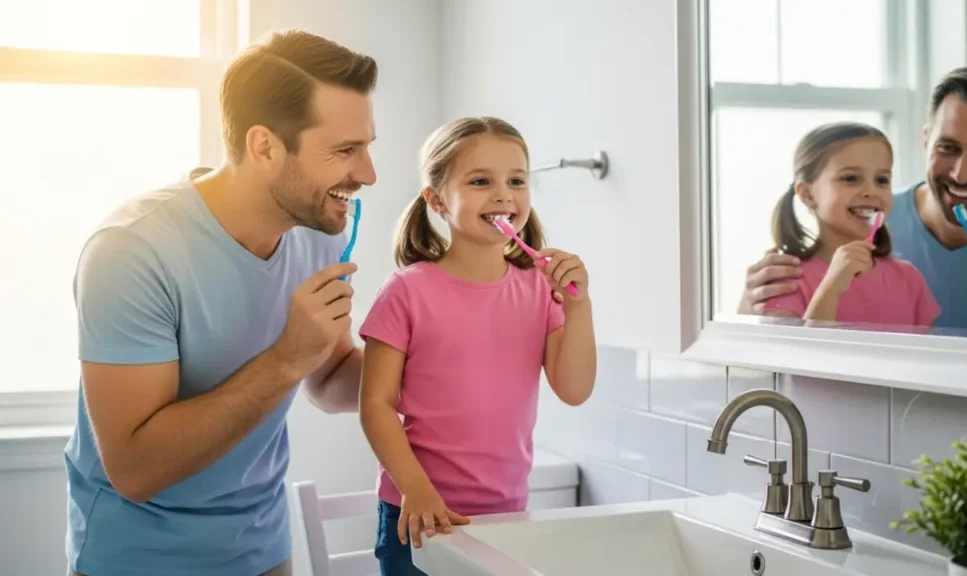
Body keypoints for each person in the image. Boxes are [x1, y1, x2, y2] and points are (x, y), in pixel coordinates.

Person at [65, 31, 378, 576]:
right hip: (136, 561)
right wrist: (286, 357)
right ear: (264, 147)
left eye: (367, 145)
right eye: (345, 151)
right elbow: (136, 469)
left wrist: (431, 362)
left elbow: (328, 381)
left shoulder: (321, 229)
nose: (368, 174)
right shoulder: (132, 252)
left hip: (263, 549)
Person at [358, 116, 598, 575]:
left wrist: (579, 305)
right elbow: (375, 405)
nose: (504, 194)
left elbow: (574, 388)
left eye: (516, 181)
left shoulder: (536, 290)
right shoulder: (406, 291)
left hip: (508, 518)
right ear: (436, 200)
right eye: (481, 181)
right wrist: (416, 489)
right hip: (419, 515)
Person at [740, 63, 967, 333]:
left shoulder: (906, 278)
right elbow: (778, 361)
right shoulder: (862, 224)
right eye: (948, 147)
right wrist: (748, 312)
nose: (962, 174)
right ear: (926, 141)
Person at [761, 122, 939, 327]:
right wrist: (832, 287)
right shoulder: (786, 282)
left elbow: (925, 357)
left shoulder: (909, 279)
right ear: (807, 194)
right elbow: (794, 356)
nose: (871, 191)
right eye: (850, 178)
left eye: (882, 180)